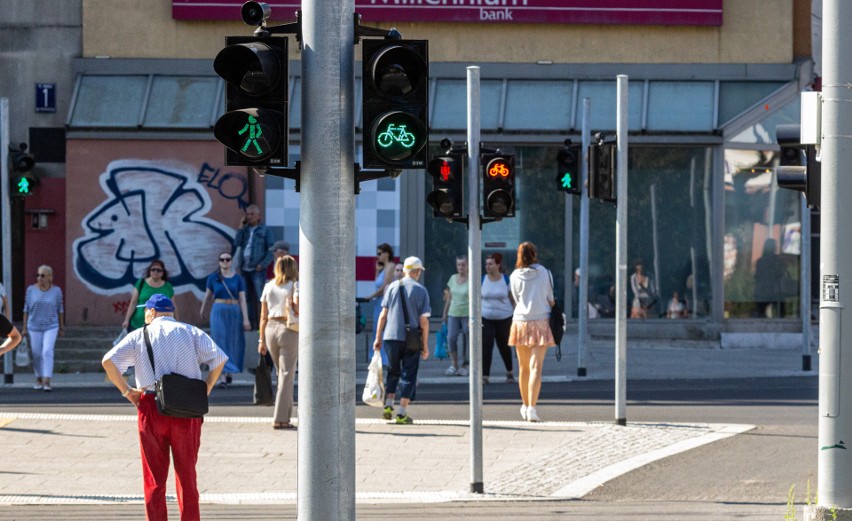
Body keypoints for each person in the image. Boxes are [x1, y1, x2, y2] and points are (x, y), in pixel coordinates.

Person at [102, 294, 228, 521]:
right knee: (187, 476)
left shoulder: (139, 335)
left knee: (154, 479)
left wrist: (127, 391)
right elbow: (219, 359)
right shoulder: (191, 332)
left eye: (145, 312)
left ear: (151, 312)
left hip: (151, 406)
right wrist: (206, 387)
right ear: (171, 312)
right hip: (187, 408)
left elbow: (108, 362)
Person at [373, 256, 431, 425]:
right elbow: (424, 322)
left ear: (404, 270)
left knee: (392, 371)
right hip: (411, 338)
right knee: (409, 374)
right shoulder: (421, 291)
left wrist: (378, 338)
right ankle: (402, 412)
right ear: (417, 272)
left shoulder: (391, 287)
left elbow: (383, 315)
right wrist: (425, 346)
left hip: (391, 336)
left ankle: (388, 406)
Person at [508, 242, 555, 423]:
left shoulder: (514, 276)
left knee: (523, 368)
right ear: (534, 254)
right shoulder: (545, 273)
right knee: (537, 367)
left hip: (520, 321)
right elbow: (550, 298)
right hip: (541, 320)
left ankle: (525, 405)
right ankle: (533, 409)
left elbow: (516, 297)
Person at [258, 255, 299, 430]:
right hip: (287, 328)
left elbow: (262, 315)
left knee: (281, 374)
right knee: (286, 374)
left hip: (269, 330)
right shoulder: (294, 285)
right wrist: (292, 304)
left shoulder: (269, 285)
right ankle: (280, 419)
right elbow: (297, 307)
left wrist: (261, 340)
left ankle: (285, 417)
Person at [199, 252, 250, 386]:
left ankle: (229, 372)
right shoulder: (213, 278)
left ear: (231, 261)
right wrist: (203, 310)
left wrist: (246, 319)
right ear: (219, 262)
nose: (225, 262)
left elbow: (243, 299)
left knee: (233, 341)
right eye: (222, 260)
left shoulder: (238, 279)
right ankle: (222, 374)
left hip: (234, 310)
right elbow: (208, 296)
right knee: (219, 341)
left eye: (227, 259)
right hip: (218, 309)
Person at [22, 265, 64, 392]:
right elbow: (26, 309)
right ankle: (38, 378)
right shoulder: (31, 290)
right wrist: (24, 328)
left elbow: (60, 309)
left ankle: (47, 380)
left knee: (47, 351)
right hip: (34, 327)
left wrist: (61, 327)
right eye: (38, 275)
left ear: (50, 278)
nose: (39, 278)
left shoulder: (56, 291)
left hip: (51, 326)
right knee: (36, 354)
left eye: (43, 275)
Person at [233, 204, 275, 328]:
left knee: (260, 296)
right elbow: (237, 243)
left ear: (258, 216)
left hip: (257, 269)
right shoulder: (245, 230)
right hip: (244, 268)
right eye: (247, 214)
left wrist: (262, 265)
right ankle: (251, 323)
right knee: (247, 297)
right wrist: (241, 227)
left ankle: (264, 324)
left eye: (252, 214)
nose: (249, 216)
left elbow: (271, 249)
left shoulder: (265, 230)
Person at [481, 253, 515, 384]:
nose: (488, 266)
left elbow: (512, 299)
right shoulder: (482, 280)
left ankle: (509, 372)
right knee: (486, 345)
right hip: (486, 317)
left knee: (504, 346)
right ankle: (485, 375)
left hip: (504, 317)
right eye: (486, 264)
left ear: (498, 265)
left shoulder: (506, 280)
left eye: (490, 264)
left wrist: (515, 316)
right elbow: (477, 299)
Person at [122, 260, 176, 332]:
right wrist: (127, 320)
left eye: (158, 270)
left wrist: (176, 321)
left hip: (159, 326)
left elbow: (173, 306)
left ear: (163, 273)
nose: (155, 272)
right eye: (153, 269)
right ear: (149, 271)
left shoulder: (167, 287)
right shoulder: (141, 283)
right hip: (137, 324)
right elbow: (133, 302)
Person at [366, 244, 396, 366]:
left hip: (385, 302)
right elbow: (377, 284)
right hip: (378, 302)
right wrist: (377, 271)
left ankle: (385, 359)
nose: (378, 256)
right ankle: (377, 357)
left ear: (387, 253)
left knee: (382, 329)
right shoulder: (383, 269)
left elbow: (385, 287)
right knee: (376, 330)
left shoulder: (391, 266)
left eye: (380, 253)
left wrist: (370, 296)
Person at [443, 254, 470, 376]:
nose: (461, 267)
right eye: (458, 265)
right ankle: (454, 364)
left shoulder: (472, 279)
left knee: (467, 339)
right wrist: (444, 313)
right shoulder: (453, 278)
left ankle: (465, 365)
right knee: (451, 338)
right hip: (453, 313)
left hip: (467, 314)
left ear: (468, 265)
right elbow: (449, 297)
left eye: (463, 265)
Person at [754, 238, 787, 318]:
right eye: (775, 246)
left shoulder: (760, 261)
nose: (776, 247)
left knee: (761, 313)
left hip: (763, 290)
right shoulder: (777, 260)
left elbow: (757, 276)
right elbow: (780, 274)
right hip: (775, 289)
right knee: (781, 313)